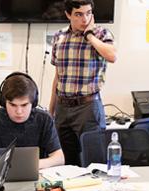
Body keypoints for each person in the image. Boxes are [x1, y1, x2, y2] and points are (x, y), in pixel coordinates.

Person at [48, 0, 117, 166]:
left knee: (94, 163)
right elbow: (58, 76)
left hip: (88, 107)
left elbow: (112, 56)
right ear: (68, 15)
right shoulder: (59, 37)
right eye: (78, 14)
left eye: (88, 13)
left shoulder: (101, 34)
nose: (85, 19)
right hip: (63, 107)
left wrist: (89, 36)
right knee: (65, 162)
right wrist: (51, 109)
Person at [0, 72, 64, 170]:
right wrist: (0, 168)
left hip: (35, 179)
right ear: (4, 102)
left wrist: (34, 165)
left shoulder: (44, 119)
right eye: (13, 105)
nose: (19, 111)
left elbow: (59, 158)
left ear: (33, 103)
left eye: (24, 105)